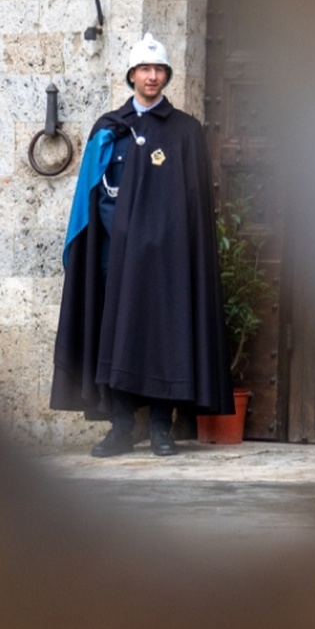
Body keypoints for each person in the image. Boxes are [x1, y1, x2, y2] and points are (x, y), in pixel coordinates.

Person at [51, 33, 234, 458]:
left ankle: (160, 427)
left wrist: (159, 237)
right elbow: (93, 195)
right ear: (132, 74)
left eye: (159, 70)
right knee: (113, 336)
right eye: (144, 70)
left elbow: (190, 204)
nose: (152, 77)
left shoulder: (186, 132)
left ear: (166, 75)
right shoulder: (109, 130)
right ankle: (120, 428)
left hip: (167, 261)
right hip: (115, 257)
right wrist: (121, 233)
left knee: (164, 338)